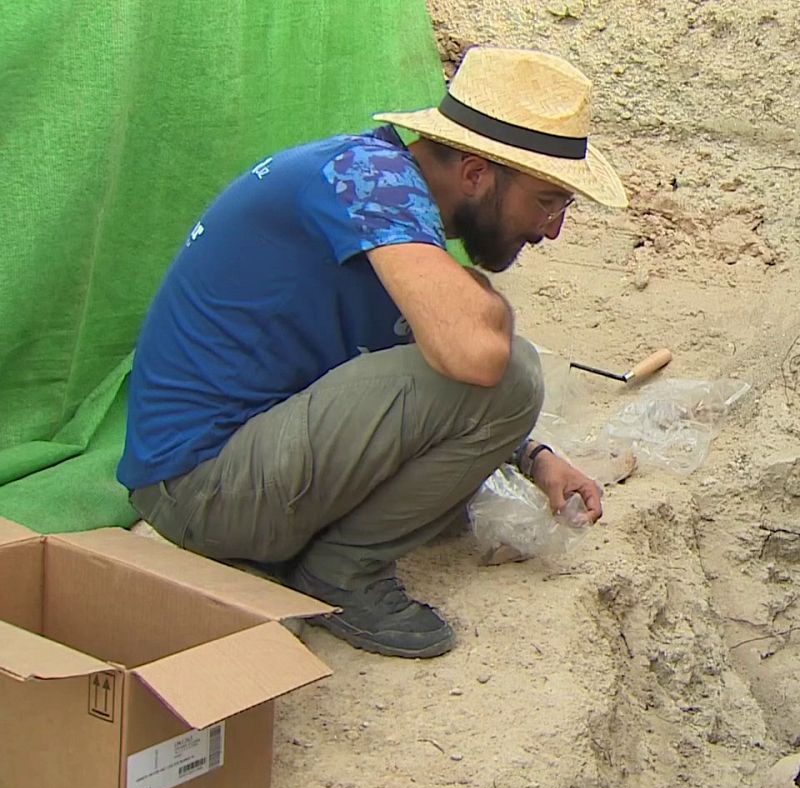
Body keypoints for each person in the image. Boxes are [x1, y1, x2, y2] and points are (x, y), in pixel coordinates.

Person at [117, 48, 628, 659]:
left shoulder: (386, 197)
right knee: (513, 374)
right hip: (202, 488)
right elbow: (474, 357)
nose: (551, 229)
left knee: (461, 472)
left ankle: (312, 551)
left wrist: (535, 456)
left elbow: (413, 359)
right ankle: (341, 574)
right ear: (475, 174)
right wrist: (481, 296)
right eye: (547, 201)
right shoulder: (370, 180)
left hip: (222, 468)